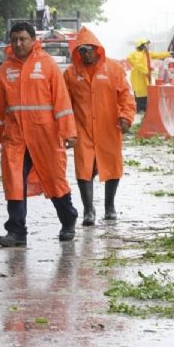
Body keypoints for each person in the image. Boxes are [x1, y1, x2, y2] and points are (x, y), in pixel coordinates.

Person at [0, 21, 78, 247]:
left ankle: (68, 219)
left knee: (55, 181)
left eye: (23, 39)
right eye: (14, 40)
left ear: (33, 41)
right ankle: (17, 231)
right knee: (14, 183)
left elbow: (62, 102)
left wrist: (69, 132)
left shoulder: (47, 65)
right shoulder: (6, 69)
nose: (18, 44)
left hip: (45, 137)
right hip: (15, 138)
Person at [63, 27, 136, 225]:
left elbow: (126, 96)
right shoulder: (70, 74)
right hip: (82, 128)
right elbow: (64, 104)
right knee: (83, 168)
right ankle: (88, 210)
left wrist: (126, 117)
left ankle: (109, 206)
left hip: (109, 127)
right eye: (81, 50)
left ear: (97, 50)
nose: (85, 54)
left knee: (112, 166)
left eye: (88, 49)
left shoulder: (113, 69)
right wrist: (66, 131)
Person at [126, 39, 171, 113]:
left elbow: (158, 55)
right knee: (141, 92)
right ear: (142, 46)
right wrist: (145, 70)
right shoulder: (137, 54)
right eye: (147, 45)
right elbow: (138, 64)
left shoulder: (147, 54)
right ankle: (141, 109)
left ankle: (143, 108)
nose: (148, 46)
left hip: (145, 75)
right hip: (139, 76)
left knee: (144, 91)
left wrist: (169, 54)